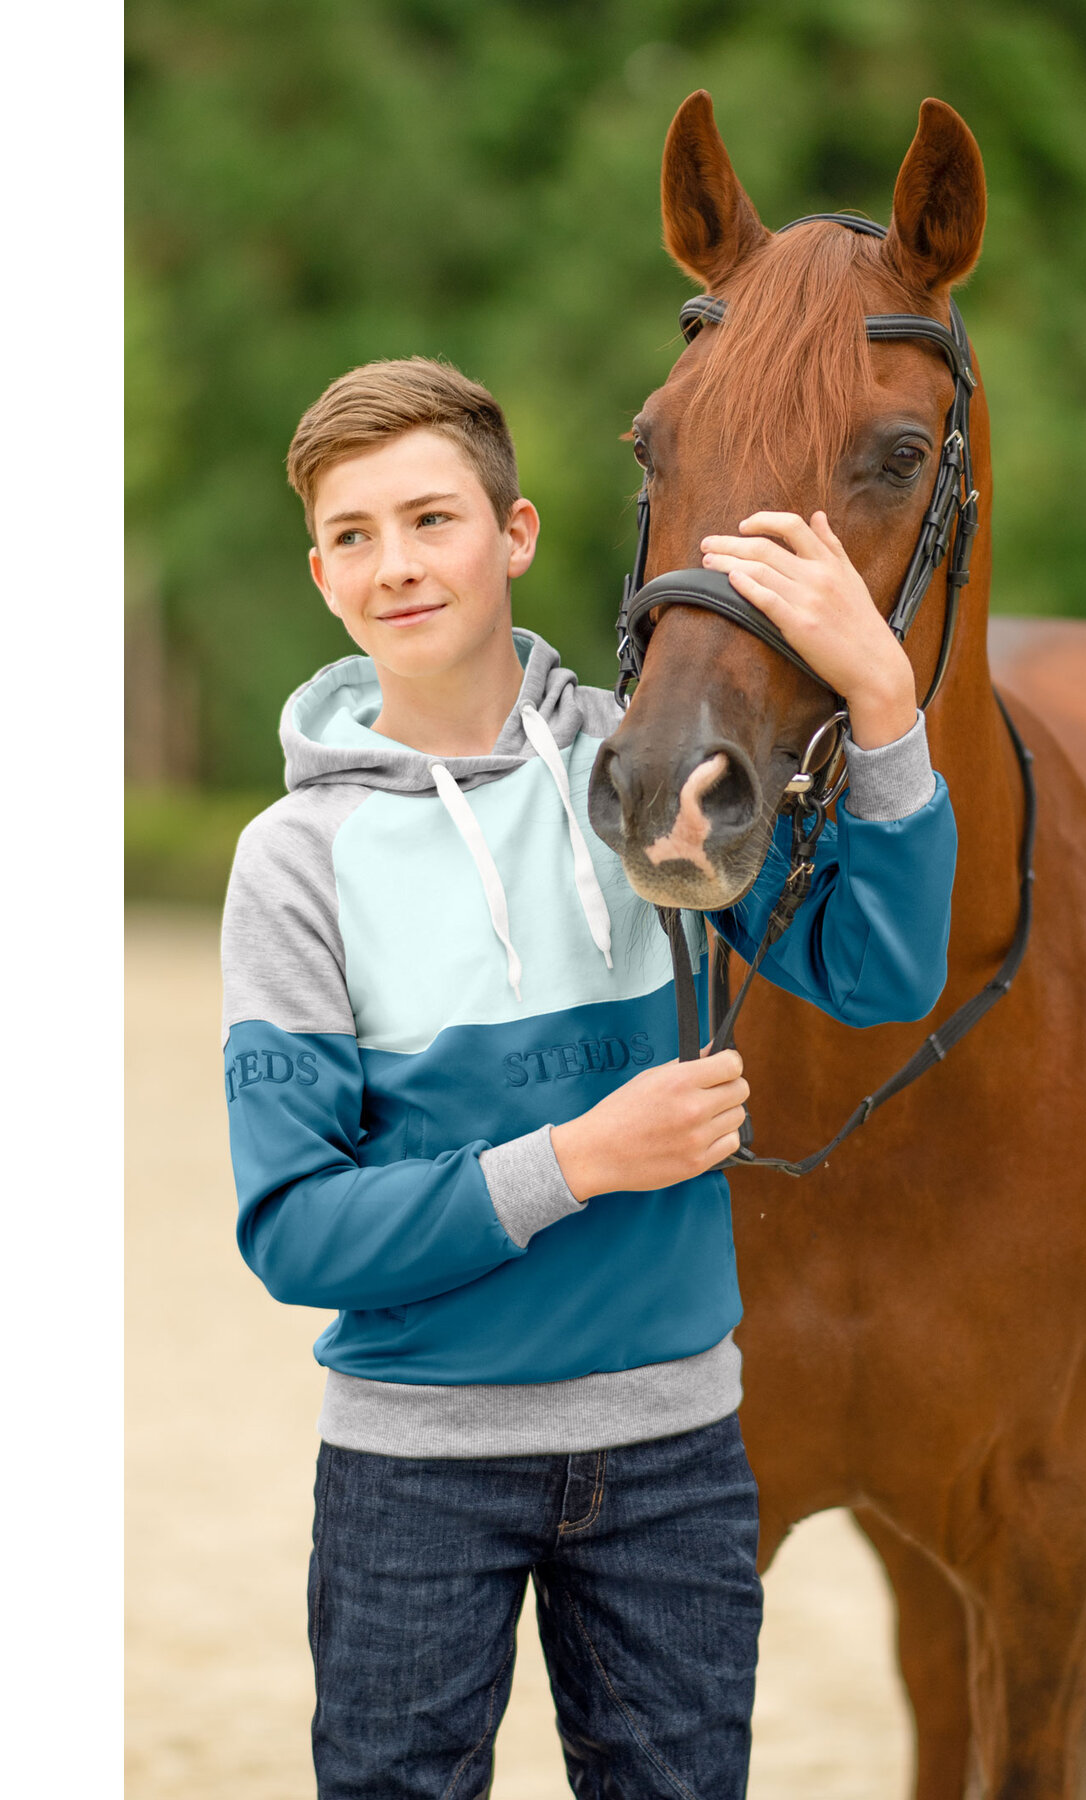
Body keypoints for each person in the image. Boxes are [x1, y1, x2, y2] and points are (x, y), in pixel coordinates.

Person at [220, 355, 957, 1800]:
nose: (397, 566)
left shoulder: (647, 784)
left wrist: (880, 696)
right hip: (412, 1475)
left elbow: (879, 978)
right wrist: (581, 1160)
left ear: (517, 536)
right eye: (355, 537)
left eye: (432, 519)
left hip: (673, 1462)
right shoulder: (292, 864)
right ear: (320, 574)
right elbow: (293, 1230)